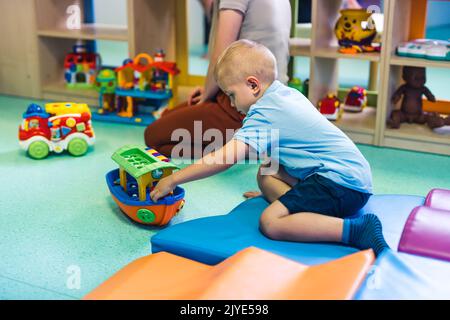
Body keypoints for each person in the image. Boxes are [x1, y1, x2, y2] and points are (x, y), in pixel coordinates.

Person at [150, 40, 390, 256]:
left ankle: (356, 230)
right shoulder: (283, 94)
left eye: (232, 95)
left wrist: (174, 179)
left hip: (340, 184)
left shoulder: (265, 112)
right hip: (350, 177)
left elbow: (225, 157)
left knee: (270, 222)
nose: (232, 104)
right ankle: (298, 207)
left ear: (253, 85)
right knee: (268, 170)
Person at [144, 0, 292, 158]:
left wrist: (207, 96)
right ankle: (245, 146)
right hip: (272, 101)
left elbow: (221, 55)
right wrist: (208, 90)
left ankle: (247, 150)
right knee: (167, 116)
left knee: (153, 137)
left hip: (246, 108)